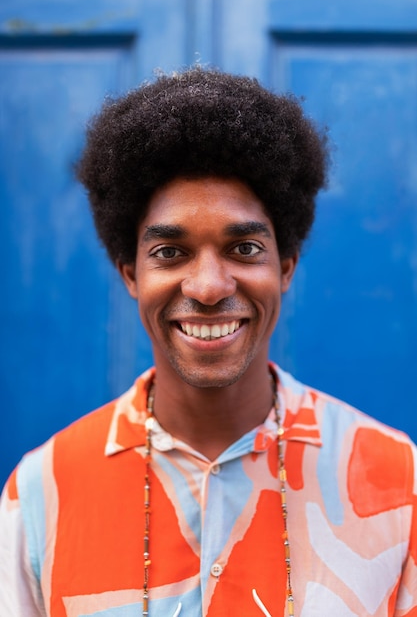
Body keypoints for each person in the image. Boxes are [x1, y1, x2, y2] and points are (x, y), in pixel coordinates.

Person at [0, 67, 416, 617]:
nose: (209, 287)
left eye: (243, 248)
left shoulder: (398, 480)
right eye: (170, 252)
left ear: (286, 266)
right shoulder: (40, 494)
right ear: (129, 273)